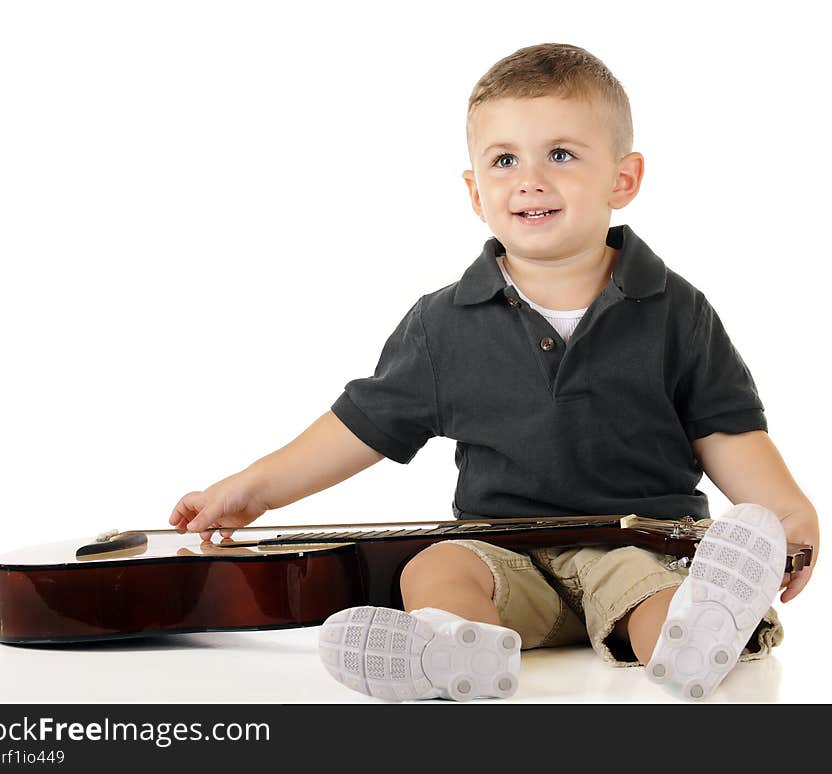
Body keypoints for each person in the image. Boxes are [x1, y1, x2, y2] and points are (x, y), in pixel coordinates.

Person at [168, 43, 819, 702]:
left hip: (639, 551)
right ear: (476, 192)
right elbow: (360, 427)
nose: (529, 179)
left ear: (623, 179)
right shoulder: (442, 323)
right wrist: (255, 490)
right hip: (508, 560)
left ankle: (694, 637)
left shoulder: (676, 310)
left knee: (659, 595)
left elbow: (727, 431)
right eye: (505, 160)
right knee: (436, 566)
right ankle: (454, 649)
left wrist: (786, 511)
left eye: (561, 155)